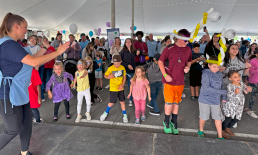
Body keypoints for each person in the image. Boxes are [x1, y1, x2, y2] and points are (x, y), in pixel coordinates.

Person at [0, 12, 69, 155]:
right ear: (16, 26)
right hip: (8, 94)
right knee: (13, 128)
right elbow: (34, 62)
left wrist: (44, 47)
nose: (27, 30)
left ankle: (24, 152)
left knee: (26, 124)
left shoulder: (14, 44)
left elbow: (30, 57)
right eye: (25, 27)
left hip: (20, 91)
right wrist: (57, 52)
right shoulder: (8, 45)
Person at [158, 29, 192, 134]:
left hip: (180, 80)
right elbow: (160, 61)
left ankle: (174, 122)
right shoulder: (169, 48)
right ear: (178, 38)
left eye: (188, 41)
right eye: (185, 40)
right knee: (169, 102)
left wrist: (188, 67)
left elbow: (189, 61)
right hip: (168, 80)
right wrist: (165, 74)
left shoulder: (188, 50)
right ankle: (166, 121)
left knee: (176, 102)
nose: (187, 43)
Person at [198, 56, 227, 139]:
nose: (216, 69)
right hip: (205, 99)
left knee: (217, 117)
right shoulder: (205, 74)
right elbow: (207, 88)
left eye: (218, 67)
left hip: (216, 100)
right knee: (204, 116)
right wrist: (222, 92)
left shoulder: (220, 74)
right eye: (214, 67)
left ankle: (220, 135)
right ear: (209, 65)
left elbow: (222, 86)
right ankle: (200, 130)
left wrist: (224, 97)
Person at [221, 71, 252, 139]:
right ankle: (222, 130)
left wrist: (249, 89)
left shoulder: (241, 84)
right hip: (230, 106)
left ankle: (227, 128)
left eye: (238, 76)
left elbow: (246, 90)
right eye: (235, 77)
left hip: (239, 105)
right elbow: (229, 95)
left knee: (236, 119)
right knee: (228, 119)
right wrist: (234, 92)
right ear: (230, 79)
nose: (238, 78)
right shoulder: (230, 86)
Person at [100, 55, 128, 123]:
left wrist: (122, 85)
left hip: (120, 88)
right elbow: (105, 75)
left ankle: (125, 115)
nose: (116, 65)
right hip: (113, 88)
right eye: (115, 64)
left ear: (120, 62)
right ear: (113, 62)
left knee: (122, 102)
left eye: (118, 63)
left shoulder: (122, 68)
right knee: (112, 102)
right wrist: (108, 77)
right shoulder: (110, 68)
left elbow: (124, 77)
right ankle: (105, 113)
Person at [120, 38, 138, 106]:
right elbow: (120, 61)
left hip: (134, 70)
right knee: (130, 85)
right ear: (125, 43)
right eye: (126, 42)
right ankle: (130, 99)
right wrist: (127, 65)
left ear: (131, 43)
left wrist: (139, 50)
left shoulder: (133, 51)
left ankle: (134, 98)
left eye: (129, 42)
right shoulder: (123, 51)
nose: (127, 43)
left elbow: (140, 52)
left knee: (135, 84)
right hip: (127, 70)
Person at [40, 37, 56, 102]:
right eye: (44, 41)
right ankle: (44, 88)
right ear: (42, 42)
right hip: (43, 65)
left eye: (46, 40)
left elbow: (55, 56)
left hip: (50, 65)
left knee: (48, 78)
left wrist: (56, 64)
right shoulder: (41, 48)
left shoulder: (52, 48)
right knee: (42, 78)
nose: (45, 41)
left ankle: (48, 88)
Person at [246, 50, 258, 118]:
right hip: (254, 81)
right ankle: (250, 110)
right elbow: (250, 71)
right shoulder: (253, 61)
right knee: (253, 96)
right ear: (256, 54)